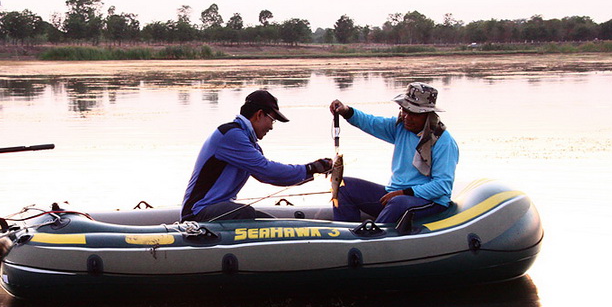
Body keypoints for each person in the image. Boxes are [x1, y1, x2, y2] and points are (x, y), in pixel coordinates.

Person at [181, 90, 332, 222]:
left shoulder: (249, 142)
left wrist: (312, 171)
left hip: (218, 210)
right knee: (246, 213)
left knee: (271, 223)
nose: (272, 127)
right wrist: (311, 168)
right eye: (272, 120)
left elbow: (270, 176)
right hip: (198, 212)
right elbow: (267, 171)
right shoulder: (231, 135)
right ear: (259, 114)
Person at [328, 82, 459, 224]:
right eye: (404, 110)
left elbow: (442, 186)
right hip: (395, 194)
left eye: (413, 113)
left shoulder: (443, 141)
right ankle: (344, 234)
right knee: (344, 186)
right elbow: (371, 122)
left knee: (398, 203)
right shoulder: (400, 127)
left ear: (427, 114)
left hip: (429, 202)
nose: (407, 117)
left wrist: (404, 193)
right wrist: (346, 111)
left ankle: (373, 238)